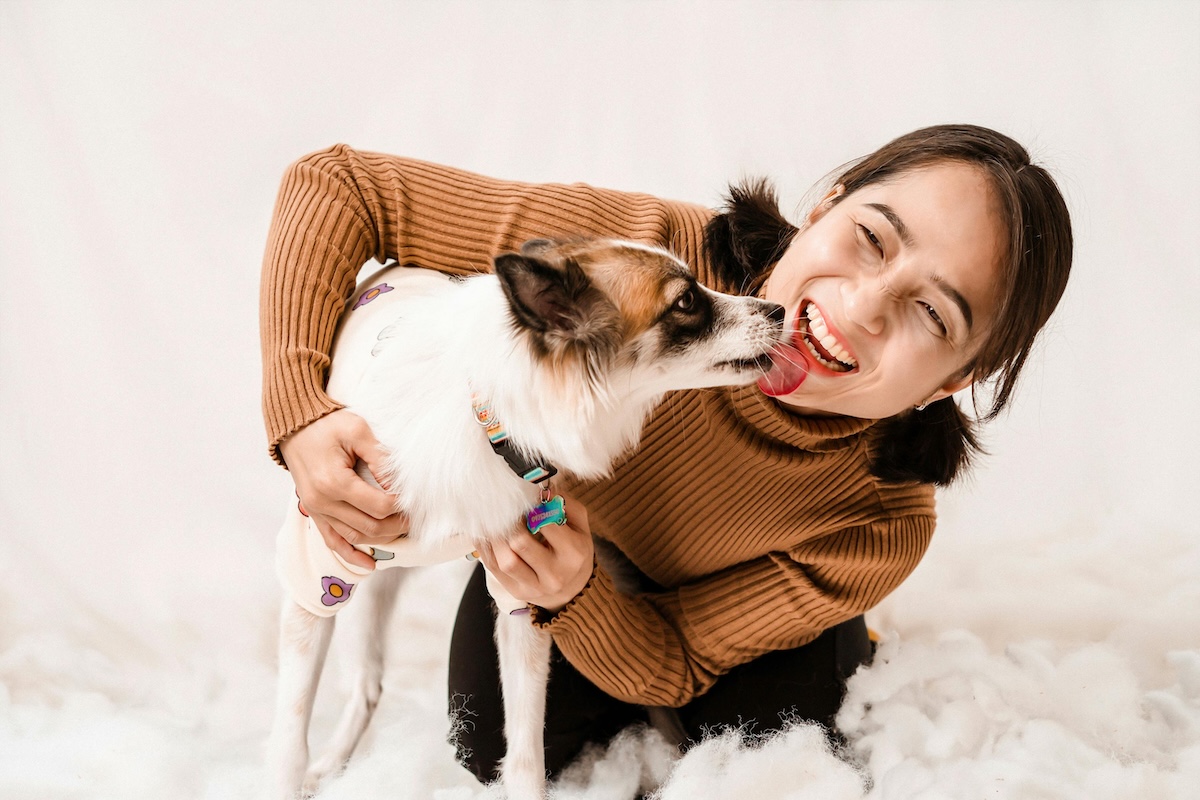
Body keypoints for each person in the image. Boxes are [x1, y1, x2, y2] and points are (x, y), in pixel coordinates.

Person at [260, 124, 1073, 783]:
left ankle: (835, 642)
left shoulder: (877, 523)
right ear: (826, 205)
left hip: (710, 617)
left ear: (959, 379)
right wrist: (301, 410)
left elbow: (679, 655)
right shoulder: (632, 260)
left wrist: (578, 599)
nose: (861, 307)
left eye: (934, 315)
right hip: (580, 548)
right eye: (869, 238)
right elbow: (339, 183)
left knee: (764, 736)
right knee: (491, 739)